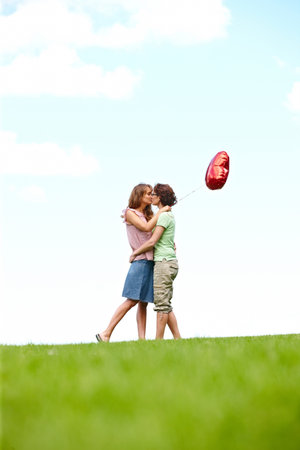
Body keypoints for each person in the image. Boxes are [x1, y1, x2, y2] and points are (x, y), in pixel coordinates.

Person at [96, 183, 170, 342]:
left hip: (150, 261)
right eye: (148, 194)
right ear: (139, 196)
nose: (151, 196)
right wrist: (161, 212)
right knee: (132, 300)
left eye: (152, 194)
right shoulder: (130, 213)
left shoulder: (148, 214)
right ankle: (106, 333)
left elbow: (153, 235)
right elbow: (145, 228)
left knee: (143, 303)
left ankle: (141, 340)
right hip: (140, 261)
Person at [129, 183, 181, 340]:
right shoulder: (163, 215)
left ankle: (158, 341)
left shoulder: (164, 216)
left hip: (164, 262)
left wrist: (134, 254)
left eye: (154, 194)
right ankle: (178, 339)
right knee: (165, 303)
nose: (151, 196)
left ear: (160, 198)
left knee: (161, 305)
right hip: (167, 261)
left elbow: (152, 242)